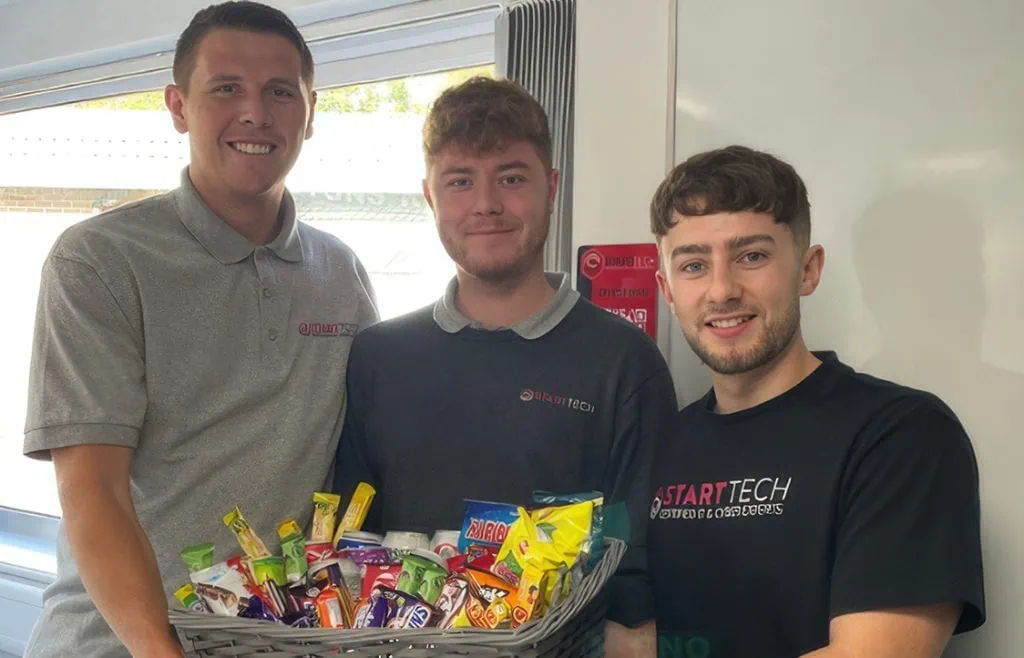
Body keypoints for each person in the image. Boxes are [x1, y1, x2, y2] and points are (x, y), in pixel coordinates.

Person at [22, 3, 377, 656]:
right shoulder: (98, 261)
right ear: (178, 106)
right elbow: (93, 492)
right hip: (116, 644)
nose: (255, 114)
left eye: (280, 92)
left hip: (273, 641)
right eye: (226, 88)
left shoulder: (340, 272)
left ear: (311, 112)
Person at [333, 77, 677, 656]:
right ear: (430, 197)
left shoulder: (624, 362)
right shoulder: (378, 357)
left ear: (552, 188)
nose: (486, 204)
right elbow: (347, 548)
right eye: (460, 181)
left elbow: (635, 573)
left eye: (512, 178)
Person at [647, 145, 985, 657]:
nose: (721, 291)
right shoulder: (662, 445)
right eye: (693, 265)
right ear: (667, 290)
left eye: (751, 256)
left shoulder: (902, 436)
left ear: (808, 270)